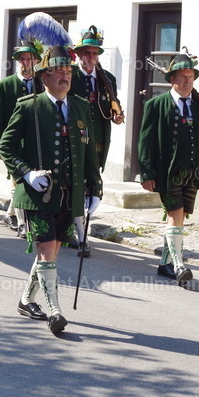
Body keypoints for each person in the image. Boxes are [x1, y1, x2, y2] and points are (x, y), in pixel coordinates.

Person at [0, 39, 103, 336]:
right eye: (58, 71)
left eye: (68, 71)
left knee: (52, 251)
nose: (65, 75)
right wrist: (26, 174)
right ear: (44, 76)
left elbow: (89, 153)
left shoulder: (81, 108)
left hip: (69, 195)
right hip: (38, 194)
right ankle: (54, 310)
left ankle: (24, 300)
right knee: (45, 249)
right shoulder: (30, 107)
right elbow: (7, 146)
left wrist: (95, 188)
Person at [138, 52, 199, 286]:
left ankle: (164, 263)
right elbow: (145, 142)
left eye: (190, 76)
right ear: (172, 79)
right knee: (175, 214)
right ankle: (179, 264)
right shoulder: (156, 105)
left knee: (180, 217)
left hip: (194, 172)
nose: (187, 81)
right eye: (182, 76)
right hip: (168, 172)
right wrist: (147, 173)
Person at [68, 26, 125, 255]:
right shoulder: (69, 75)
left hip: (99, 139)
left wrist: (118, 116)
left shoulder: (107, 78)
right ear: (79, 54)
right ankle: (78, 232)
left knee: (92, 183)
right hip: (75, 138)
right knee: (76, 183)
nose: (91, 58)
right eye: (86, 53)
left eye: (94, 53)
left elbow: (113, 107)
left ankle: (80, 229)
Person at [0, 40, 41, 235]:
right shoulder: (5, 85)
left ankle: (11, 214)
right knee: (18, 178)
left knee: (28, 179)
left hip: (36, 140)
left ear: (35, 61)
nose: (25, 62)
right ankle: (22, 223)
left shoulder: (42, 82)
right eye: (22, 59)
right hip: (13, 142)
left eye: (29, 59)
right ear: (17, 61)